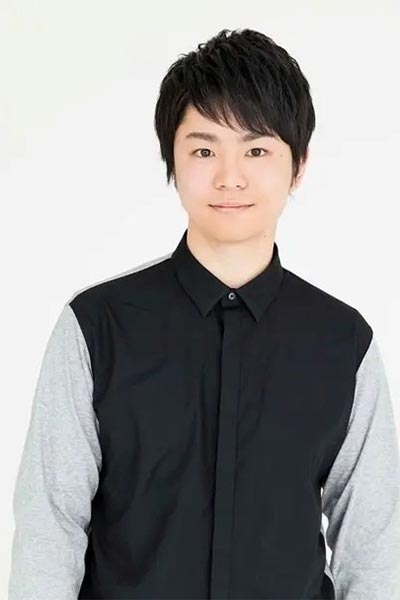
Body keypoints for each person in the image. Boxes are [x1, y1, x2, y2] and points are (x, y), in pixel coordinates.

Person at [8, 27, 400, 600]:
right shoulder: (96, 327)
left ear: (298, 165)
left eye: (257, 150)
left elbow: (373, 549)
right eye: (204, 149)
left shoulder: (343, 343)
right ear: (172, 158)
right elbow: (50, 525)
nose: (229, 177)